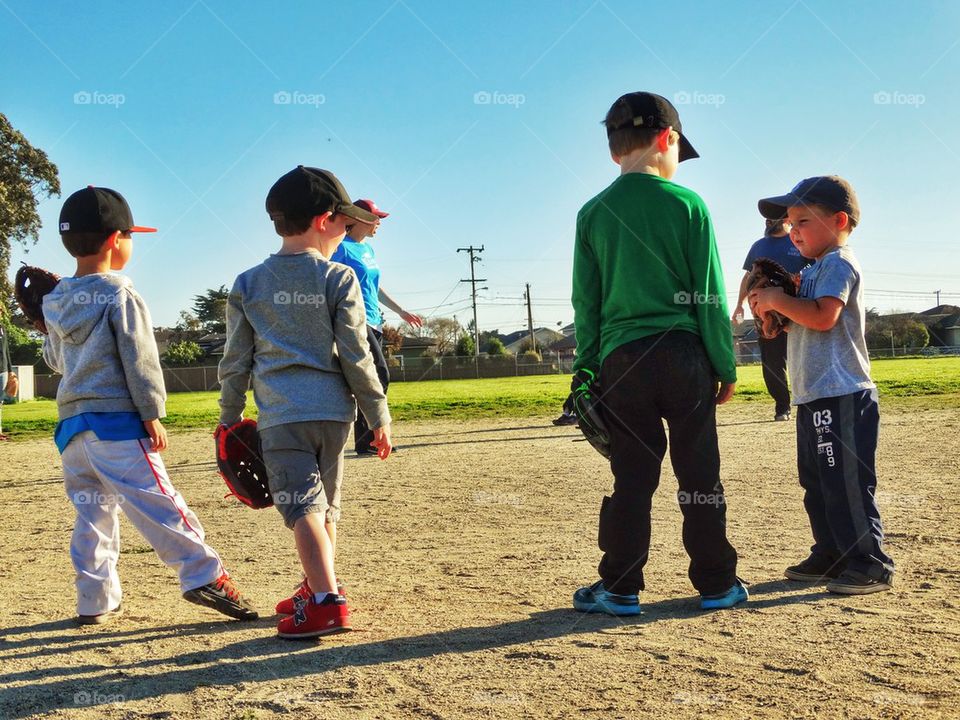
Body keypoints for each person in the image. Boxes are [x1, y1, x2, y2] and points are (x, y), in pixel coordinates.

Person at [42, 186, 257, 624]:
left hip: (73, 430)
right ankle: (203, 574)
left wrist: (44, 323)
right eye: (129, 235)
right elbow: (139, 360)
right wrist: (152, 414)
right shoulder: (120, 294)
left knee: (92, 515)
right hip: (118, 425)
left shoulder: (56, 300)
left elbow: (55, 362)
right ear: (114, 240)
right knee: (160, 502)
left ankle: (94, 600)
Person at [570, 92, 746, 615]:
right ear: (668, 139)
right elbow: (710, 294)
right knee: (698, 471)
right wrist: (724, 363)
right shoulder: (688, 204)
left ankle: (620, 586)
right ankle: (716, 582)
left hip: (623, 359)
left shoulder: (592, 213)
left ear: (612, 151)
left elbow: (588, 305)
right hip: (686, 355)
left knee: (633, 475)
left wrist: (587, 368)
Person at [218, 166, 392, 638]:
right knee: (324, 510)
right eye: (344, 220)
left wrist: (229, 418)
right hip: (335, 415)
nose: (347, 230)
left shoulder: (249, 282)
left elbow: (236, 361)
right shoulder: (339, 277)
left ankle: (325, 601)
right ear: (323, 219)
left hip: (282, 417)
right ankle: (317, 583)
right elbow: (358, 356)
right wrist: (378, 415)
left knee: (303, 509)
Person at [750, 176, 894, 594]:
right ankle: (831, 552)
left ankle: (870, 562)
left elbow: (824, 316)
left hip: (843, 392)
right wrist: (772, 313)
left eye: (802, 222)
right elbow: (799, 322)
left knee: (845, 481)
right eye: (790, 223)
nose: (793, 231)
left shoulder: (839, 262)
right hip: (813, 394)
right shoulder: (812, 270)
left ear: (839, 220)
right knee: (815, 480)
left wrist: (780, 301)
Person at [330, 200, 422, 455]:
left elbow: (375, 287)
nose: (379, 223)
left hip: (375, 320)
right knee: (380, 374)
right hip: (355, 320)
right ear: (357, 218)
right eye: (375, 218)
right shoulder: (340, 249)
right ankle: (369, 438)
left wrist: (401, 311)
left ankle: (368, 439)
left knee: (371, 379)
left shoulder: (367, 249)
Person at [733, 218, 811, 421]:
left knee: (801, 358)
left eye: (774, 217)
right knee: (771, 362)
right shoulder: (759, 246)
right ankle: (782, 406)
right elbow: (748, 277)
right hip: (765, 314)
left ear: (787, 219)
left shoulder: (799, 241)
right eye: (767, 219)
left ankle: (807, 402)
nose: (769, 222)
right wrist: (739, 304)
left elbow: (815, 270)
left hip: (797, 309)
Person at [0, 318, 18, 439]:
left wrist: (11, 371)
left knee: (0, 401)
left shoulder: (2, 328)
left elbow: (6, 351)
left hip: (3, 369)